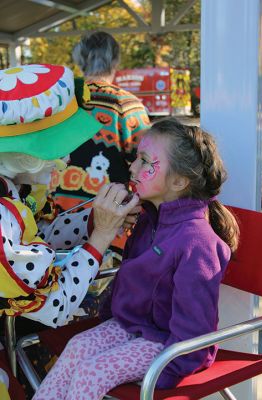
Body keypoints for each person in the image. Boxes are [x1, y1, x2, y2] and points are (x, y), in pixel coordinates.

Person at [33, 117, 239, 399]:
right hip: (132, 327)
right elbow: (126, 282)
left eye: (144, 161)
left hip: (170, 345)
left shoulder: (197, 243)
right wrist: (107, 324)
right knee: (76, 348)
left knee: (92, 372)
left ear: (179, 181)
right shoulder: (147, 220)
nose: (132, 166)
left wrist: (165, 371)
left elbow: (195, 333)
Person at [0, 63, 139, 327]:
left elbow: (40, 240)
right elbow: (55, 306)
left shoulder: (12, 188)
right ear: (23, 157)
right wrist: (102, 236)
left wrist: (98, 218)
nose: (67, 157)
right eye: (58, 148)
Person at [52, 31, 150, 223]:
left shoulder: (58, 100)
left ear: (79, 60)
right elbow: (147, 161)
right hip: (106, 217)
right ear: (115, 61)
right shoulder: (126, 104)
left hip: (53, 213)